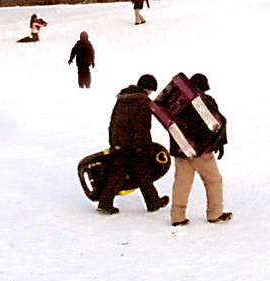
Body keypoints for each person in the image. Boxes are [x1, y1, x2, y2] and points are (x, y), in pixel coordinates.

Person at [95, 74, 169, 215]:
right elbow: (142, 128)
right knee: (142, 172)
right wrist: (145, 147)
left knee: (120, 173)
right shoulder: (142, 103)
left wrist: (114, 143)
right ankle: (152, 202)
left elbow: (113, 122)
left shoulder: (123, 100)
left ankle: (105, 203)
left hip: (119, 142)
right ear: (148, 89)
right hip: (133, 145)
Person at [170, 73, 232, 227]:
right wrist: (220, 144)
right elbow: (216, 125)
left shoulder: (176, 102)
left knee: (181, 183)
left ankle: (177, 217)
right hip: (201, 151)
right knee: (213, 181)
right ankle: (215, 213)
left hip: (181, 150)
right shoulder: (207, 102)